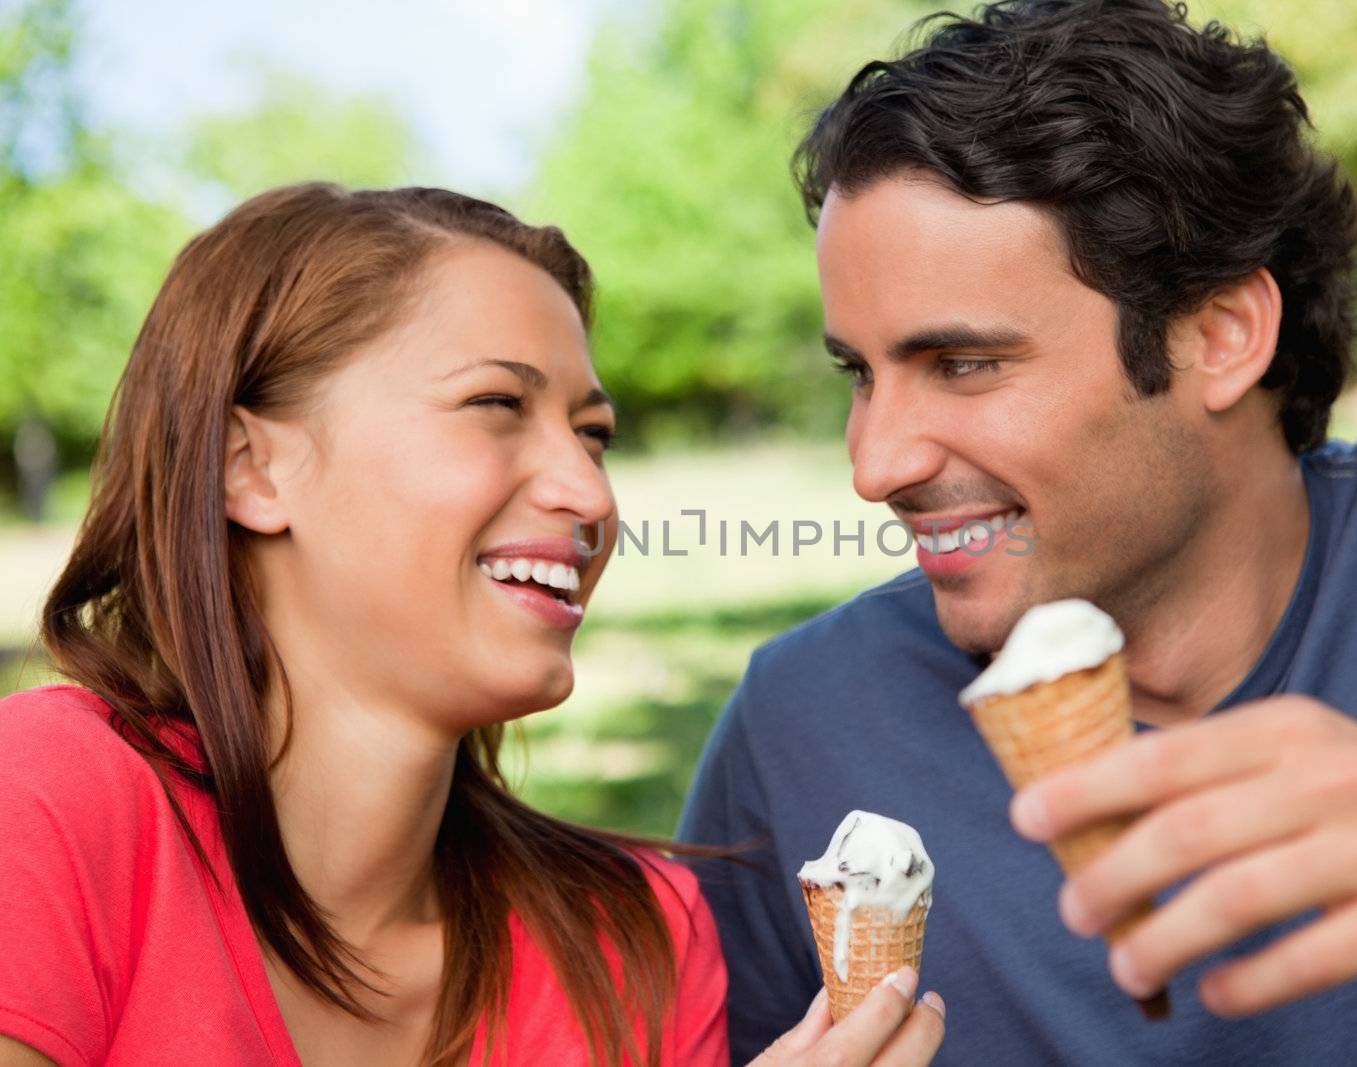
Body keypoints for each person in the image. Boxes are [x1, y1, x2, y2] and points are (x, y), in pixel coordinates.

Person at [678, 1, 1357, 1063]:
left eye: (964, 363)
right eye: (859, 373)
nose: (875, 466)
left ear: (1220, 334)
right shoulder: (804, 728)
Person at [0, 184, 945, 1067]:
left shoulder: (638, 942)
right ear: (249, 469)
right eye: (496, 404)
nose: (589, 492)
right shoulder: (50, 804)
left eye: (593, 433)